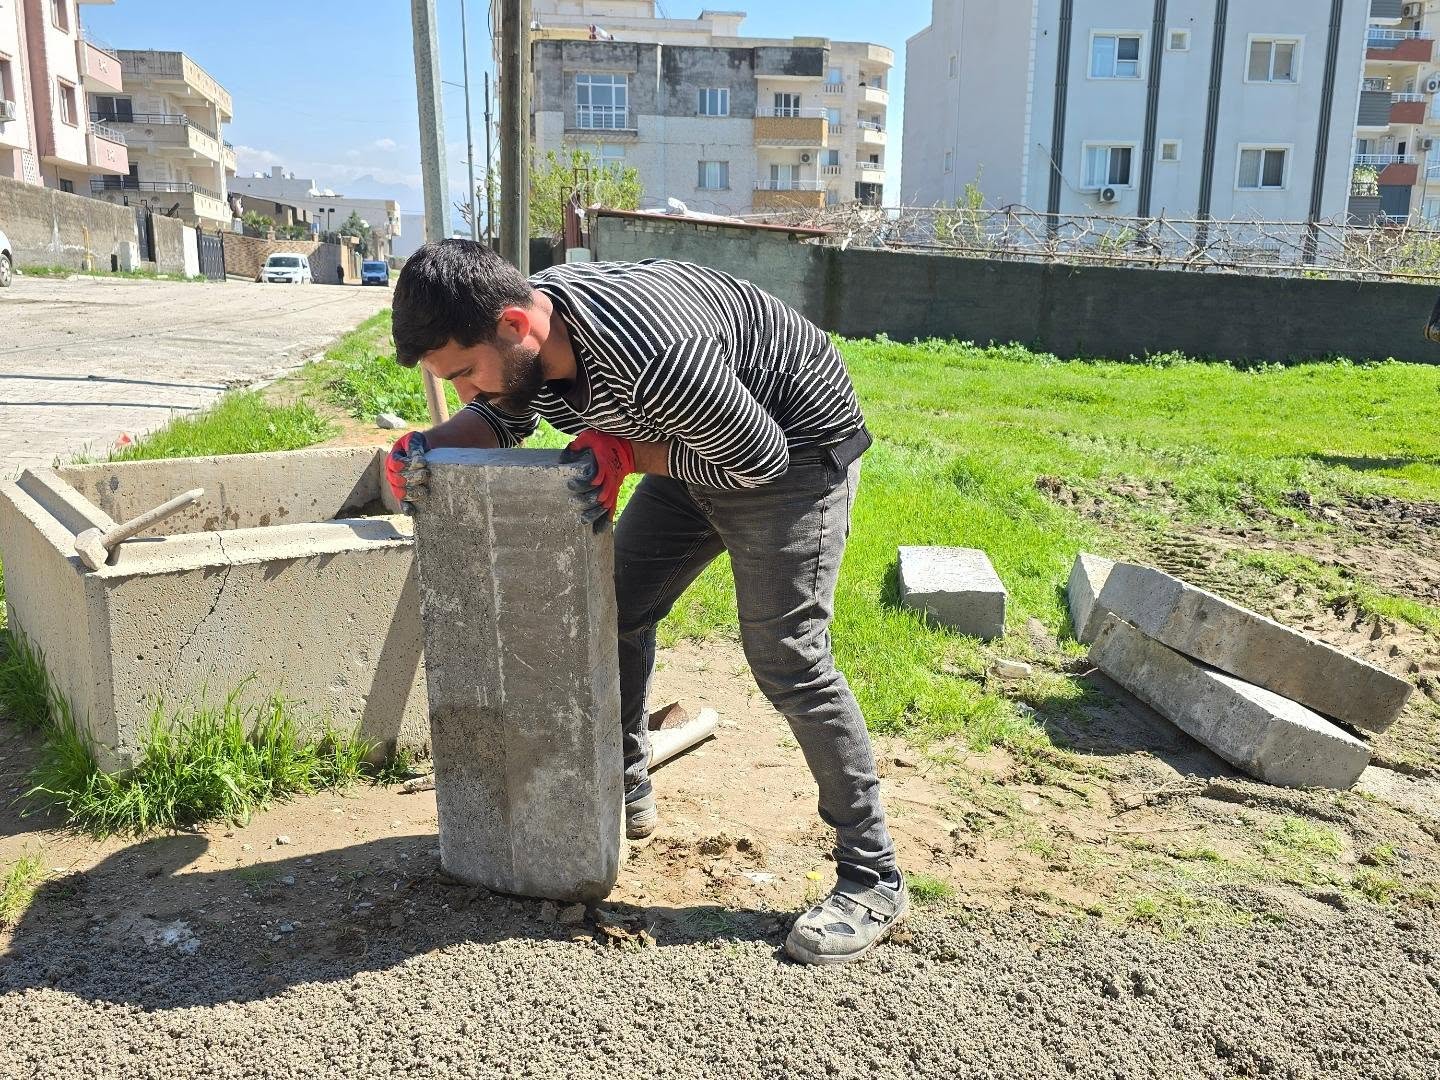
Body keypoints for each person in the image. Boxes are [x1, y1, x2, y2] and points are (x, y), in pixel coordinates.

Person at [385, 239, 905, 965]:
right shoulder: (525, 343)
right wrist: (432, 448)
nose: (468, 392)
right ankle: (624, 780)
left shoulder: (655, 353)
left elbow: (757, 460)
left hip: (791, 452)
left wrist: (625, 453)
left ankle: (872, 872)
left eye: (465, 374)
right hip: (682, 442)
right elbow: (504, 413)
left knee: (789, 659)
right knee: (617, 609)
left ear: (514, 322)